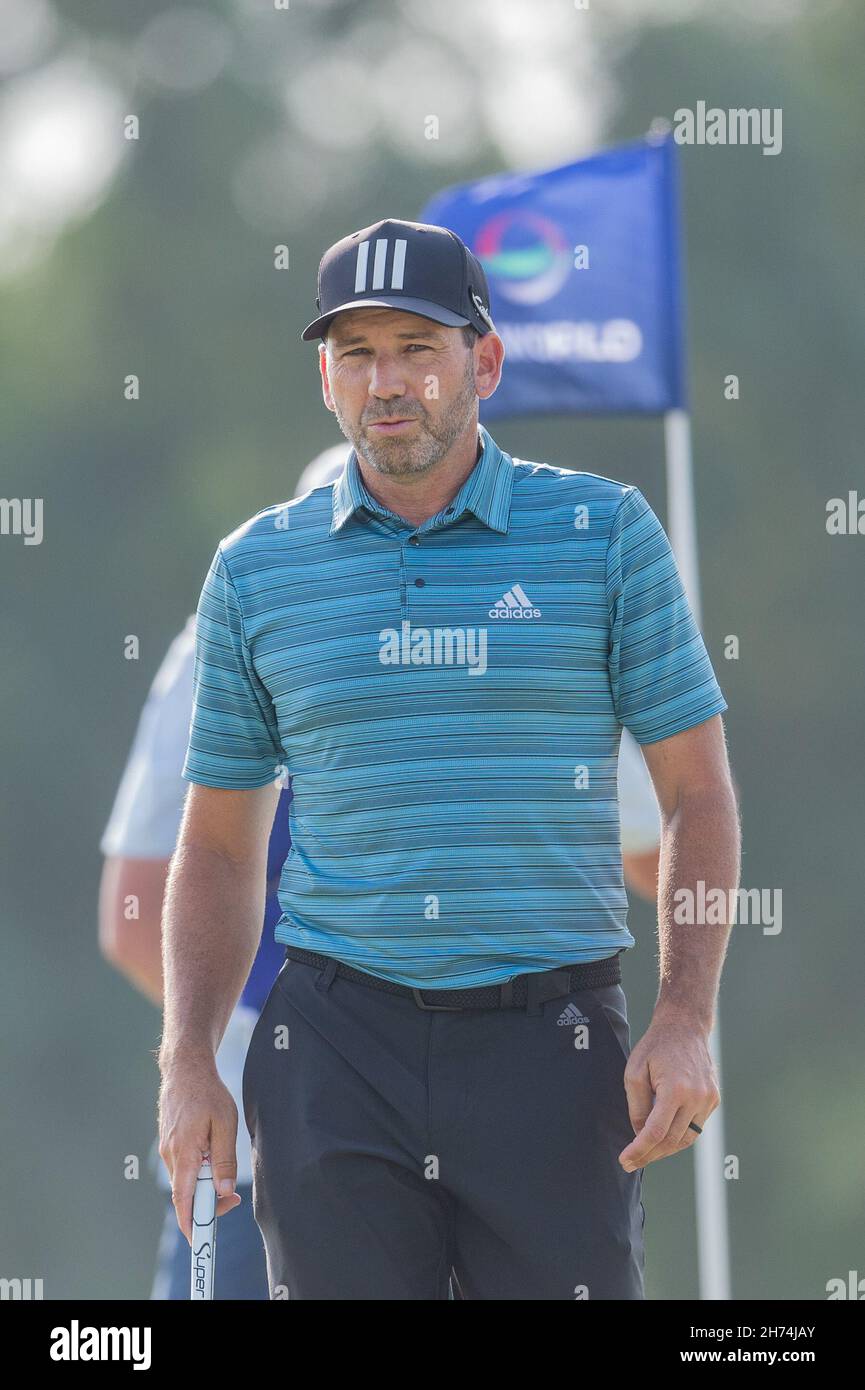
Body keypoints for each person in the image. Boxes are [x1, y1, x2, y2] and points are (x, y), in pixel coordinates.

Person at [158, 218, 739, 1300]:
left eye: (418, 348)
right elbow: (220, 847)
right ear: (325, 377)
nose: (388, 381)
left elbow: (697, 796)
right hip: (335, 1046)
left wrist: (686, 1016)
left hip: (550, 1046)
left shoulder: (604, 533)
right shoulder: (256, 569)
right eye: (360, 352)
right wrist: (189, 1057)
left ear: (485, 361)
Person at [98, 447, 348, 1299]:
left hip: (458, 1145)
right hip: (255, 1142)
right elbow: (133, 915)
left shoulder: (492, 639)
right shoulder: (220, 644)